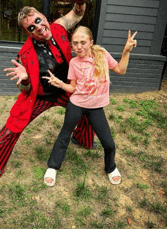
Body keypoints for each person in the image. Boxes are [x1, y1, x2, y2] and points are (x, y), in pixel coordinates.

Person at [0, 0, 98, 203]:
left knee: (87, 107)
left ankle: (82, 138)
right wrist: (25, 79)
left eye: (38, 20)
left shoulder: (57, 26)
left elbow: (77, 15)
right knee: (10, 132)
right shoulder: (25, 54)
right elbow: (24, 90)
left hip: (64, 89)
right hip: (40, 97)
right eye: (31, 28)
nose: (38, 27)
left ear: (44, 17)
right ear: (28, 32)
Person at [43, 26, 137, 186]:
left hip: (95, 107)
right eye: (75, 43)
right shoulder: (74, 63)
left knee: (108, 143)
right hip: (77, 104)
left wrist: (126, 51)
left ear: (91, 42)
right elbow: (73, 88)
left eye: (83, 42)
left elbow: (121, 70)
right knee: (64, 135)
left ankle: (111, 167)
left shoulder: (101, 55)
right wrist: (59, 84)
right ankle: (52, 167)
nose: (79, 47)